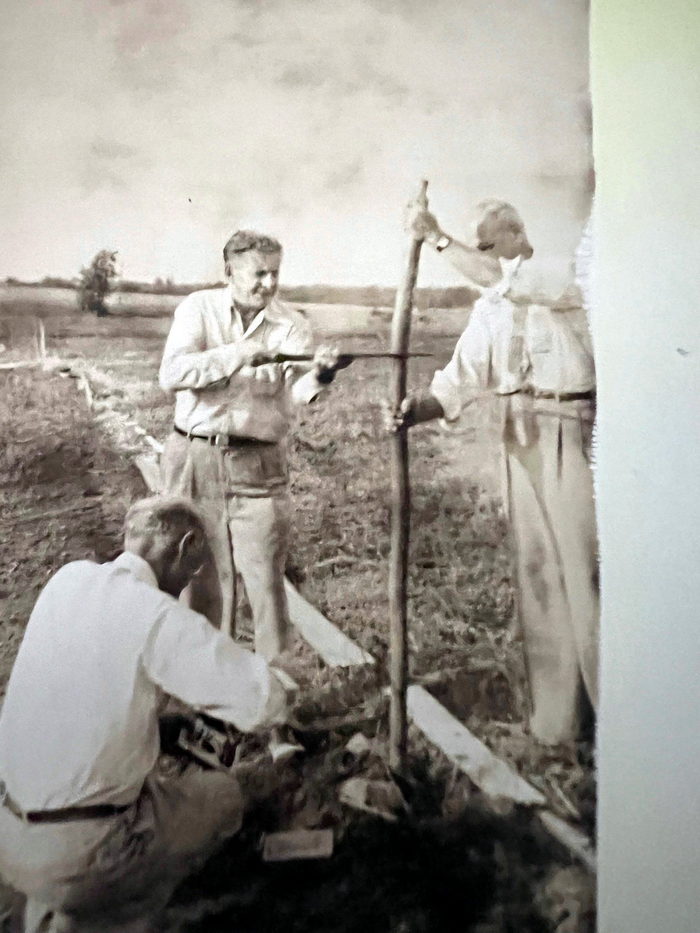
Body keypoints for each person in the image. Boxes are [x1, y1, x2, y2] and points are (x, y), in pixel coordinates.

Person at [0, 497, 295, 932]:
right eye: (195, 568)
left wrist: (157, 727)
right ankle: (111, 912)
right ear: (186, 545)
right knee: (224, 797)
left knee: (141, 795)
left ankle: (56, 905)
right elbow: (263, 701)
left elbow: (77, 692)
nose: (190, 580)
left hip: (8, 833)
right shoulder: (155, 613)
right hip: (80, 851)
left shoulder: (68, 580)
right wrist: (290, 682)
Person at [387, 199, 598, 745]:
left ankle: (623, 722)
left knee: (587, 576)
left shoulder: (558, 276)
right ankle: (559, 725)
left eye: (485, 244)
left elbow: (501, 280)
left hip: (572, 425)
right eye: (475, 246)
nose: (480, 257)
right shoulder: (492, 305)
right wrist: (422, 406)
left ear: (516, 233)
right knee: (539, 576)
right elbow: (463, 373)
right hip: (518, 429)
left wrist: (435, 237)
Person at [159, 230, 340, 661]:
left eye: (275, 273)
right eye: (259, 274)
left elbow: (300, 390)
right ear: (229, 272)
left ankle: (274, 697)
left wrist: (323, 375)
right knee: (195, 577)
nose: (269, 284)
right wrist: (240, 353)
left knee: (266, 579)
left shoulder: (292, 325)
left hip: (258, 467)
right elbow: (172, 374)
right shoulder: (197, 309)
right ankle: (203, 689)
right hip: (193, 457)